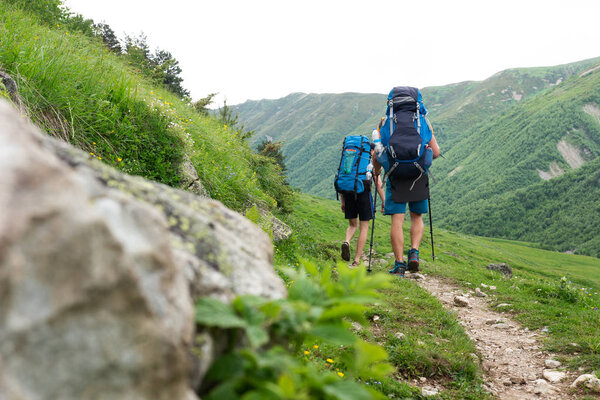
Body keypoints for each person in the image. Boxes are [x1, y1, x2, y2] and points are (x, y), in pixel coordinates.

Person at [373, 96, 440, 277]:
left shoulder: (384, 122)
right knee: (416, 217)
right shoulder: (423, 120)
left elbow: (377, 153)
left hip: (395, 174)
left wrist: (377, 172)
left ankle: (399, 265)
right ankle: (414, 253)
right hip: (418, 174)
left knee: (397, 220)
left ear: (391, 103)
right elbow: (436, 152)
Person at [340, 146, 385, 267]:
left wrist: (342, 201)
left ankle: (347, 241)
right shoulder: (370, 161)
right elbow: (377, 182)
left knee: (352, 225)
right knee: (364, 227)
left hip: (349, 193)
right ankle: (356, 260)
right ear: (371, 151)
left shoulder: (351, 160)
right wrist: (384, 201)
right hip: (364, 193)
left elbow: (343, 178)